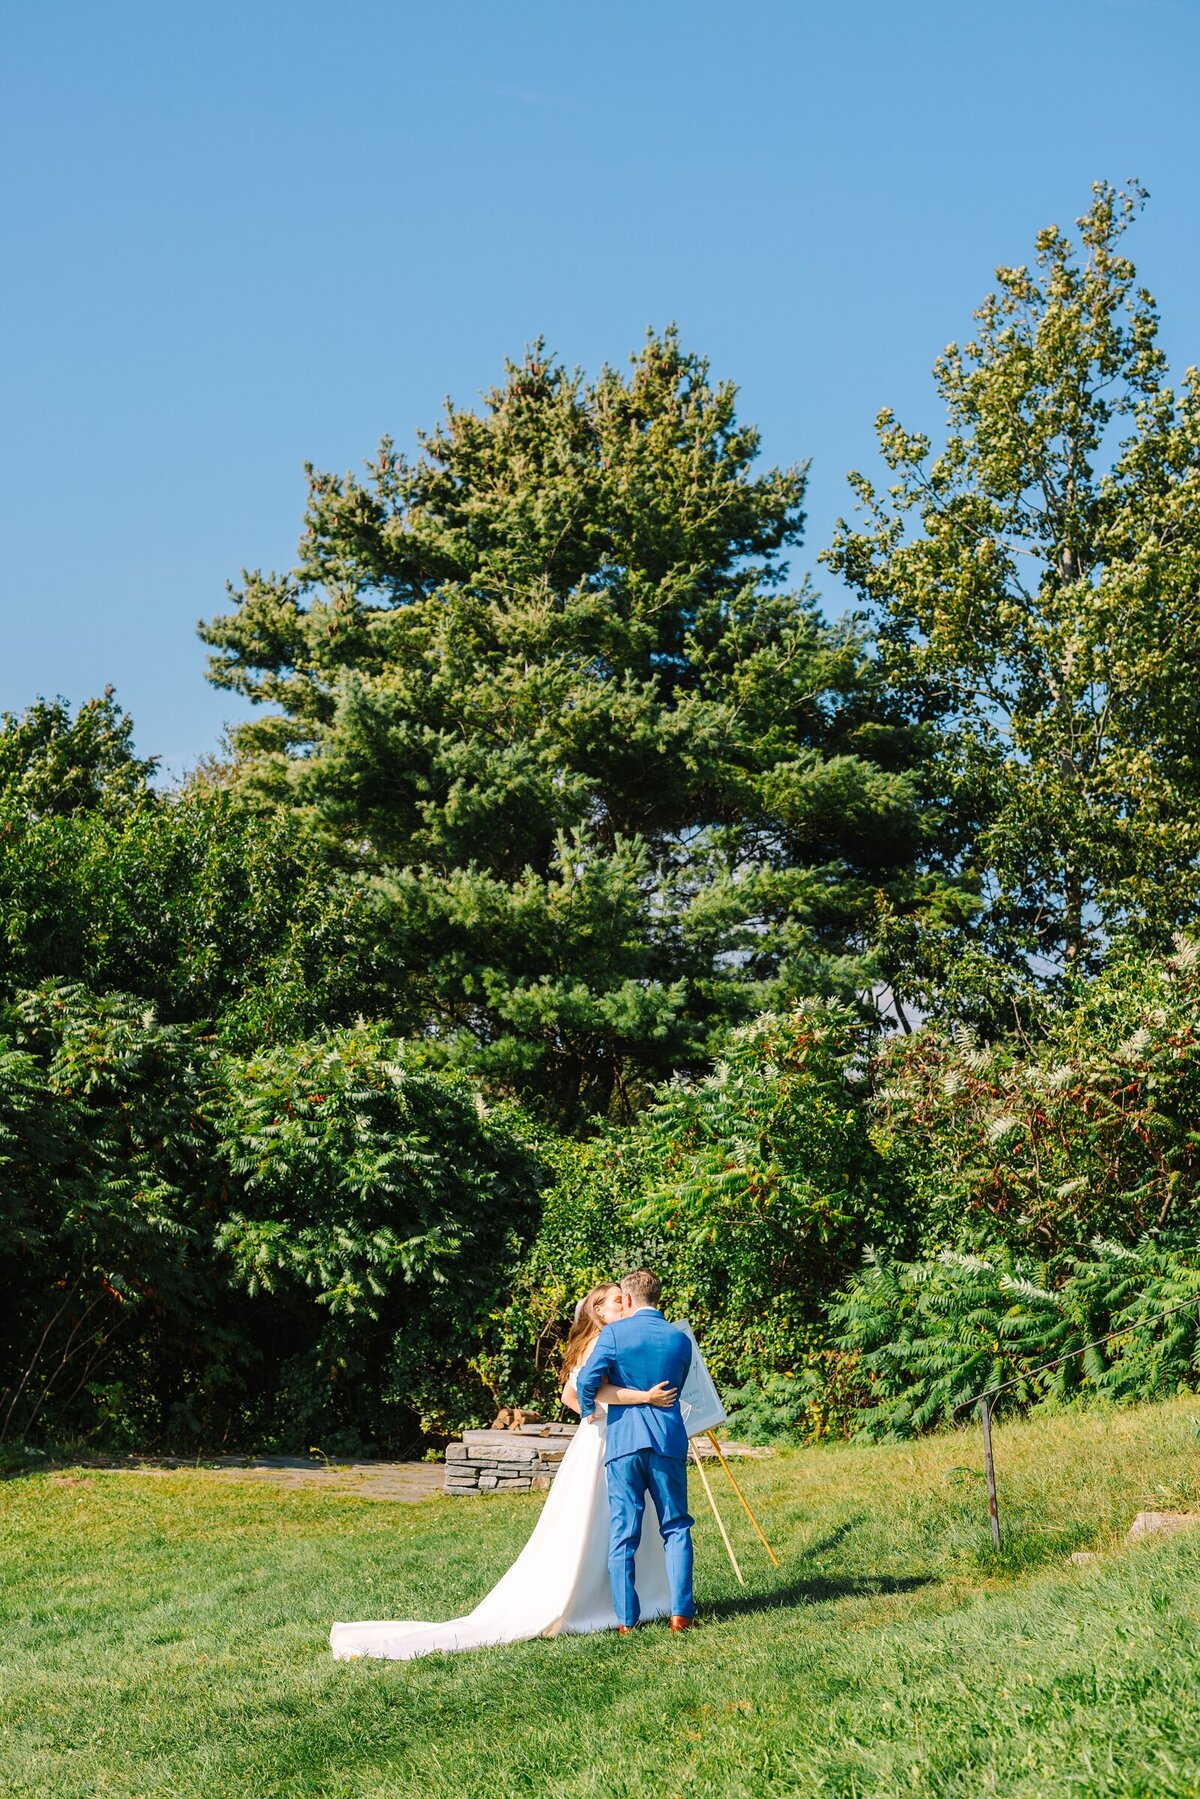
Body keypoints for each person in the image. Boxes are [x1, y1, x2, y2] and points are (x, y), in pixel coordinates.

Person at [329, 1282, 678, 1660]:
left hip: (608, 1436)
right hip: (608, 1439)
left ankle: (626, 1601)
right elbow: (586, 1394)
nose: (623, 1305)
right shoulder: (604, 1342)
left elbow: (569, 1396)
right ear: (598, 1310)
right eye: (615, 1301)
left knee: (614, 1523)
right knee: (601, 1523)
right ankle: (596, 1602)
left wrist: (589, 1414)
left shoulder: (611, 1340)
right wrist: (610, 1410)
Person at [576, 1267, 696, 1634]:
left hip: (625, 1444)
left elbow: (586, 1382)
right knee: (676, 1526)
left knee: (624, 1532)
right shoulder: (680, 1340)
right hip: (667, 1441)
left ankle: (627, 1620)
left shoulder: (613, 1334)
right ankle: (681, 1615)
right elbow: (679, 1385)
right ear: (657, 1297)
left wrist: (588, 1409)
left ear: (627, 1299)